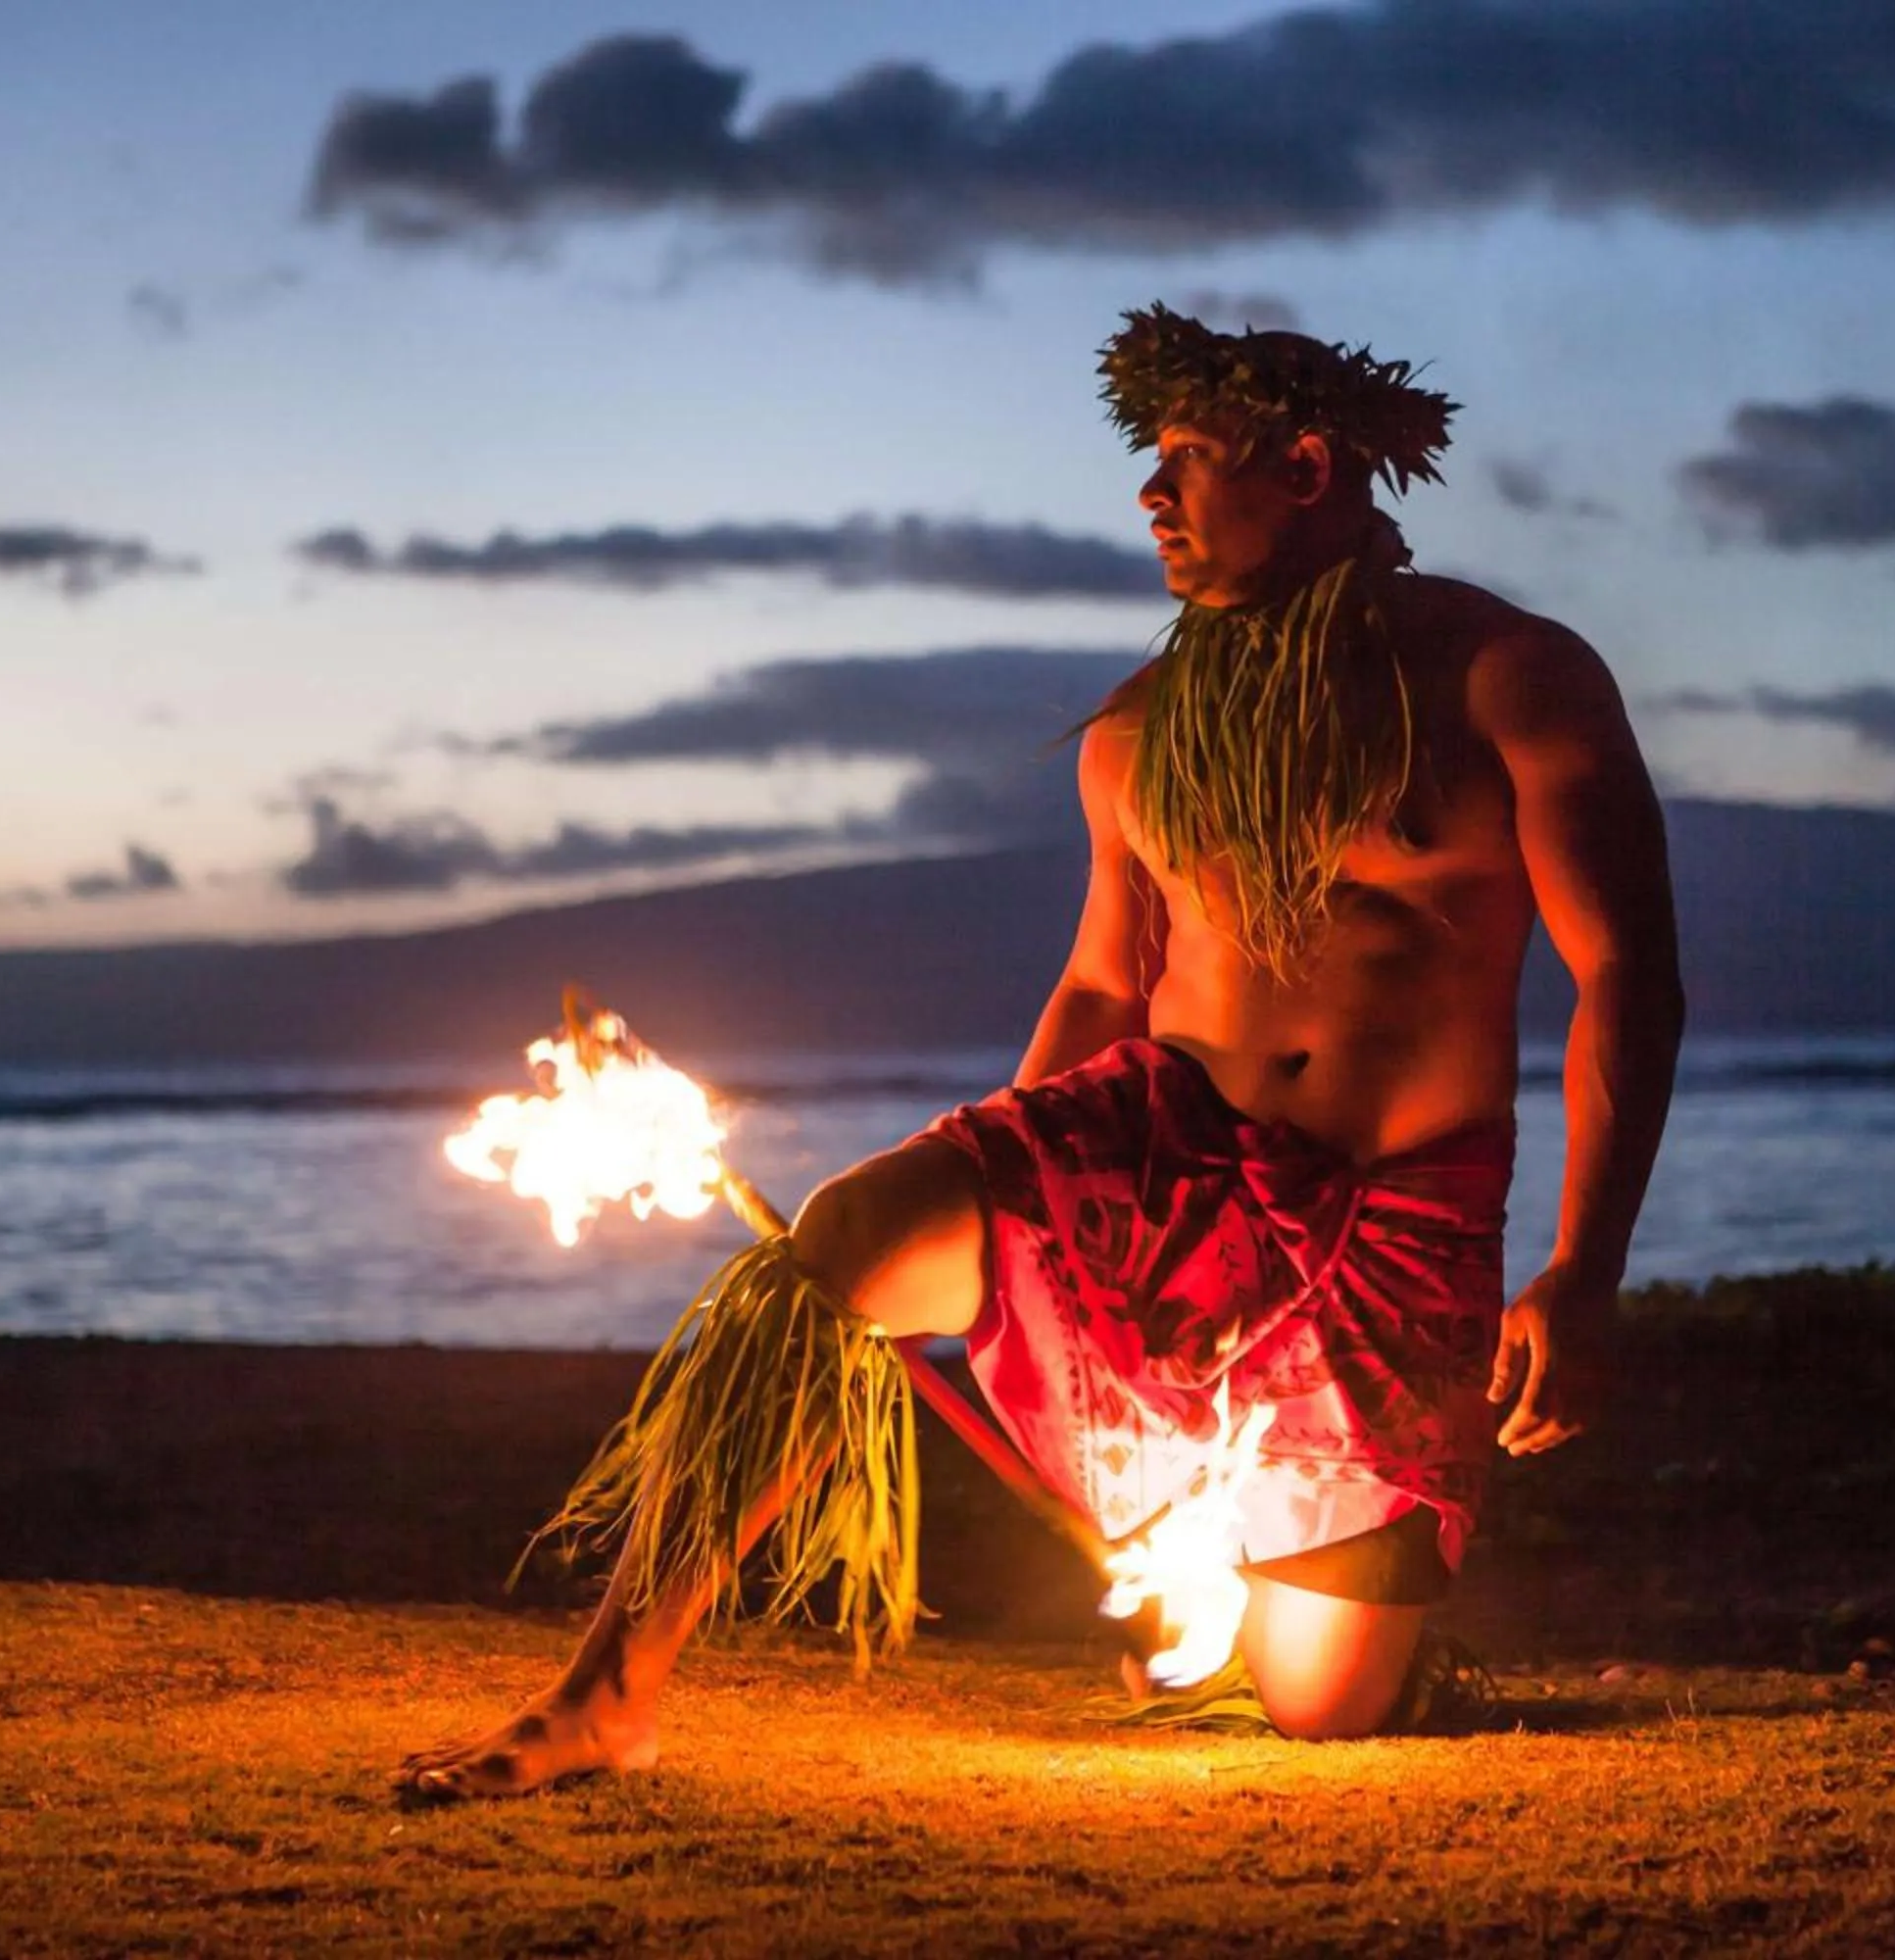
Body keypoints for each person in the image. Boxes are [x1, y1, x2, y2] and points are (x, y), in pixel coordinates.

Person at [397, 304, 1683, 1798]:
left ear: (1312, 466)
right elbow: (1100, 984)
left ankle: (1362, 1638)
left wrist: (1586, 1266)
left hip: (1389, 1207)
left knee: (1323, 1706)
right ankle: (605, 1692)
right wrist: (1017, 1229)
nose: (1152, 496)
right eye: (1153, 461)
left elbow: (1627, 976)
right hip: (1158, 1146)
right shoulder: (1138, 732)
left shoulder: (1505, 678)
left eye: (1190, 459)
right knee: (845, 1241)